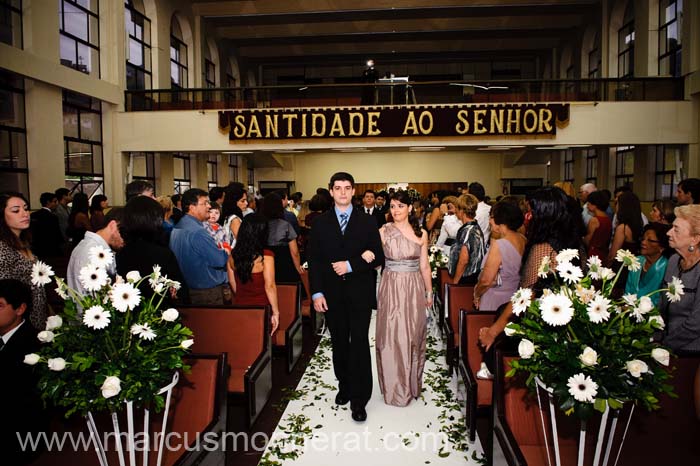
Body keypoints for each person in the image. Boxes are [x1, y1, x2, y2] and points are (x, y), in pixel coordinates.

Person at [308, 172, 384, 422]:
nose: (342, 192)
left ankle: (360, 399)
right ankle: (345, 386)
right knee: (339, 343)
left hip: (360, 293)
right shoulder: (320, 223)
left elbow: (378, 255)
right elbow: (316, 261)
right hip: (331, 294)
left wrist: (351, 265)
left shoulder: (366, 221)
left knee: (359, 343)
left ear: (354, 191)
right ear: (330, 191)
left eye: (347, 188)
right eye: (337, 188)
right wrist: (316, 292)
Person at [479, 187, 583, 355]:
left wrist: (492, 332)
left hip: (542, 324)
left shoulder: (542, 249)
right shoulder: (574, 243)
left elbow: (525, 296)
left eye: (531, 211)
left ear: (544, 214)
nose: (527, 217)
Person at [374, 190, 432, 406]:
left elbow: (424, 265)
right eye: (392, 206)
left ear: (410, 208)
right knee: (391, 334)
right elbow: (376, 260)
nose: (396, 210)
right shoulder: (383, 231)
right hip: (391, 286)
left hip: (414, 286)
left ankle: (411, 383)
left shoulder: (422, 234)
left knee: (412, 334)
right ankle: (394, 386)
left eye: (400, 206)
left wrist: (429, 291)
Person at [0, 279, 47, 465]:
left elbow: (20, 403)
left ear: (20, 309)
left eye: (0, 306)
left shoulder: (34, 346)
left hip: (17, 437)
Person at [117, 196, 189, 305]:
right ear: (156, 220)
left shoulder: (120, 254)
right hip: (158, 312)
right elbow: (181, 292)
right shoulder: (163, 254)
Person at [169, 189, 230, 305]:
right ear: (192, 207)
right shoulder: (198, 232)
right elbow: (219, 260)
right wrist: (225, 251)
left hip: (187, 287)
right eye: (205, 203)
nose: (209, 206)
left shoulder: (178, 227)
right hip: (206, 292)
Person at [0, 192, 49, 329]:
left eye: (26, 208)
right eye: (16, 210)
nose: (24, 213)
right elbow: (4, 295)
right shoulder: (3, 249)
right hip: (18, 322)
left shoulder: (24, 243)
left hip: (38, 315)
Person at [228, 213, 279, 334]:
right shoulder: (266, 256)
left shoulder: (233, 255)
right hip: (262, 309)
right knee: (263, 345)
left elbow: (232, 282)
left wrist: (245, 295)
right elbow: (270, 286)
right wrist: (276, 312)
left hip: (240, 307)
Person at [660, 205, 700, 353]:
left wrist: (665, 345)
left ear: (695, 239)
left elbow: (696, 324)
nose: (668, 232)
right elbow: (662, 304)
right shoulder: (673, 261)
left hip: (691, 353)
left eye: (676, 229)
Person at [474, 201, 525, 311]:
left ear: (500, 220)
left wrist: (476, 294)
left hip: (496, 300)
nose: (489, 221)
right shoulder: (523, 240)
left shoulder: (499, 245)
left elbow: (486, 280)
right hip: (515, 300)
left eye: (491, 217)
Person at [67, 208, 125, 295]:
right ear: (113, 225)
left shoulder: (89, 245)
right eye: (125, 234)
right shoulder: (93, 253)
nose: (125, 242)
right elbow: (93, 299)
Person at [624, 222, 671, 305]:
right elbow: (628, 289)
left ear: (662, 247)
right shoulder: (636, 260)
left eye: (650, 240)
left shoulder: (666, 267)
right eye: (643, 238)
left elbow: (661, 300)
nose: (643, 242)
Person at [263, 191, 304, 284]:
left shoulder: (259, 225)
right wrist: (298, 268)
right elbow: (294, 252)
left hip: (265, 266)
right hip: (284, 265)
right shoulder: (285, 225)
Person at [449, 194, 486, 285]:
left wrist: (455, 282)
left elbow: (463, 260)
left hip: (466, 278)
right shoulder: (476, 227)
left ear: (462, 211)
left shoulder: (467, 231)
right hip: (474, 276)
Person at [607, 190, 643, 265]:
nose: (615, 206)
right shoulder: (638, 223)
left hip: (621, 265)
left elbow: (613, 255)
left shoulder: (622, 228)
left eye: (617, 203)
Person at [30, 192, 64, 259]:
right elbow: (56, 234)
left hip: (37, 248)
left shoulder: (33, 215)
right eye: (55, 201)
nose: (57, 204)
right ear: (48, 202)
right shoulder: (52, 217)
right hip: (50, 249)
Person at [583, 190, 613, 260]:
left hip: (593, 254)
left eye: (588, 203)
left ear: (594, 205)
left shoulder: (594, 220)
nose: (587, 205)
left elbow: (588, 240)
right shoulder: (607, 219)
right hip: (603, 252)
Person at [220, 184, 247, 250]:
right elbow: (242, 241)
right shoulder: (234, 219)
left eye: (246, 200)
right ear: (234, 202)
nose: (246, 203)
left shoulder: (229, 216)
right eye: (242, 201)